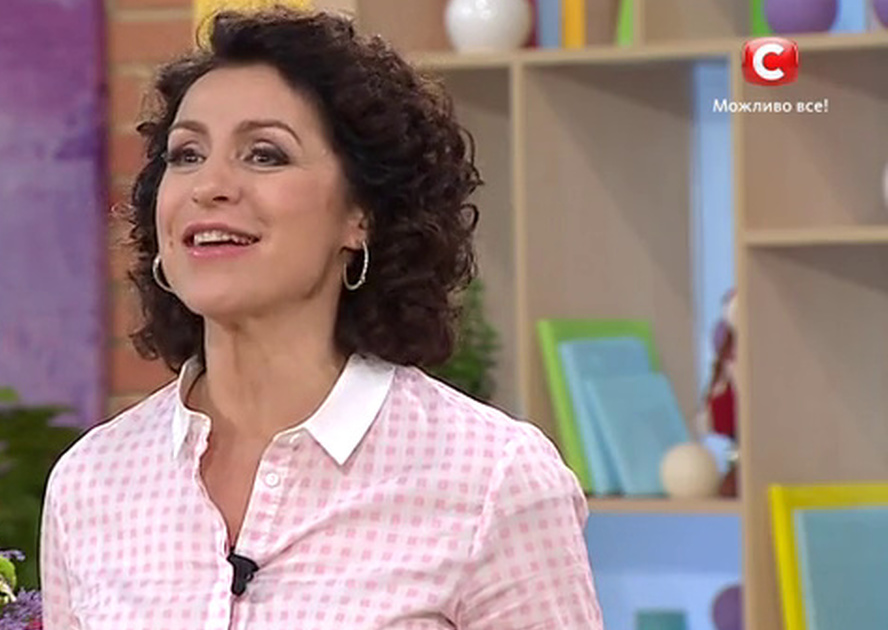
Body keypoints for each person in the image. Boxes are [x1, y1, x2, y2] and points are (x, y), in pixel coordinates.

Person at [41, 7, 603, 629]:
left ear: (360, 215)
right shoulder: (91, 481)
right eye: (187, 154)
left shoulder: (493, 479)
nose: (209, 186)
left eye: (264, 155)